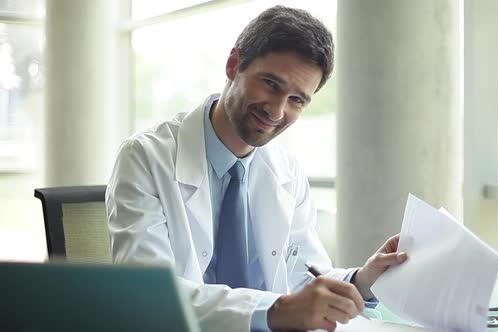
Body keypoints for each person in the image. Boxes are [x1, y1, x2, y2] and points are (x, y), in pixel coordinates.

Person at [106, 5, 407, 332]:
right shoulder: (145, 158)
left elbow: (304, 275)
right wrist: (276, 310)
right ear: (234, 64)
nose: (277, 111)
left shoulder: (287, 172)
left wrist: (362, 280)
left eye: (297, 100)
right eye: (271, 84)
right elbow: (150, 299)